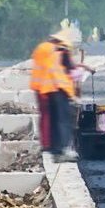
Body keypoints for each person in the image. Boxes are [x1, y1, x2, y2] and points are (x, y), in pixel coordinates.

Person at [29, 33, 77, 162]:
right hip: (59, 88)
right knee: (63, 121)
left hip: (46, 89)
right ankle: (63, 150)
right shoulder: (58, 51)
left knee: (53, 120)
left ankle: (54, 149)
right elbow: (69, 67)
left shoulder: (43, 48)